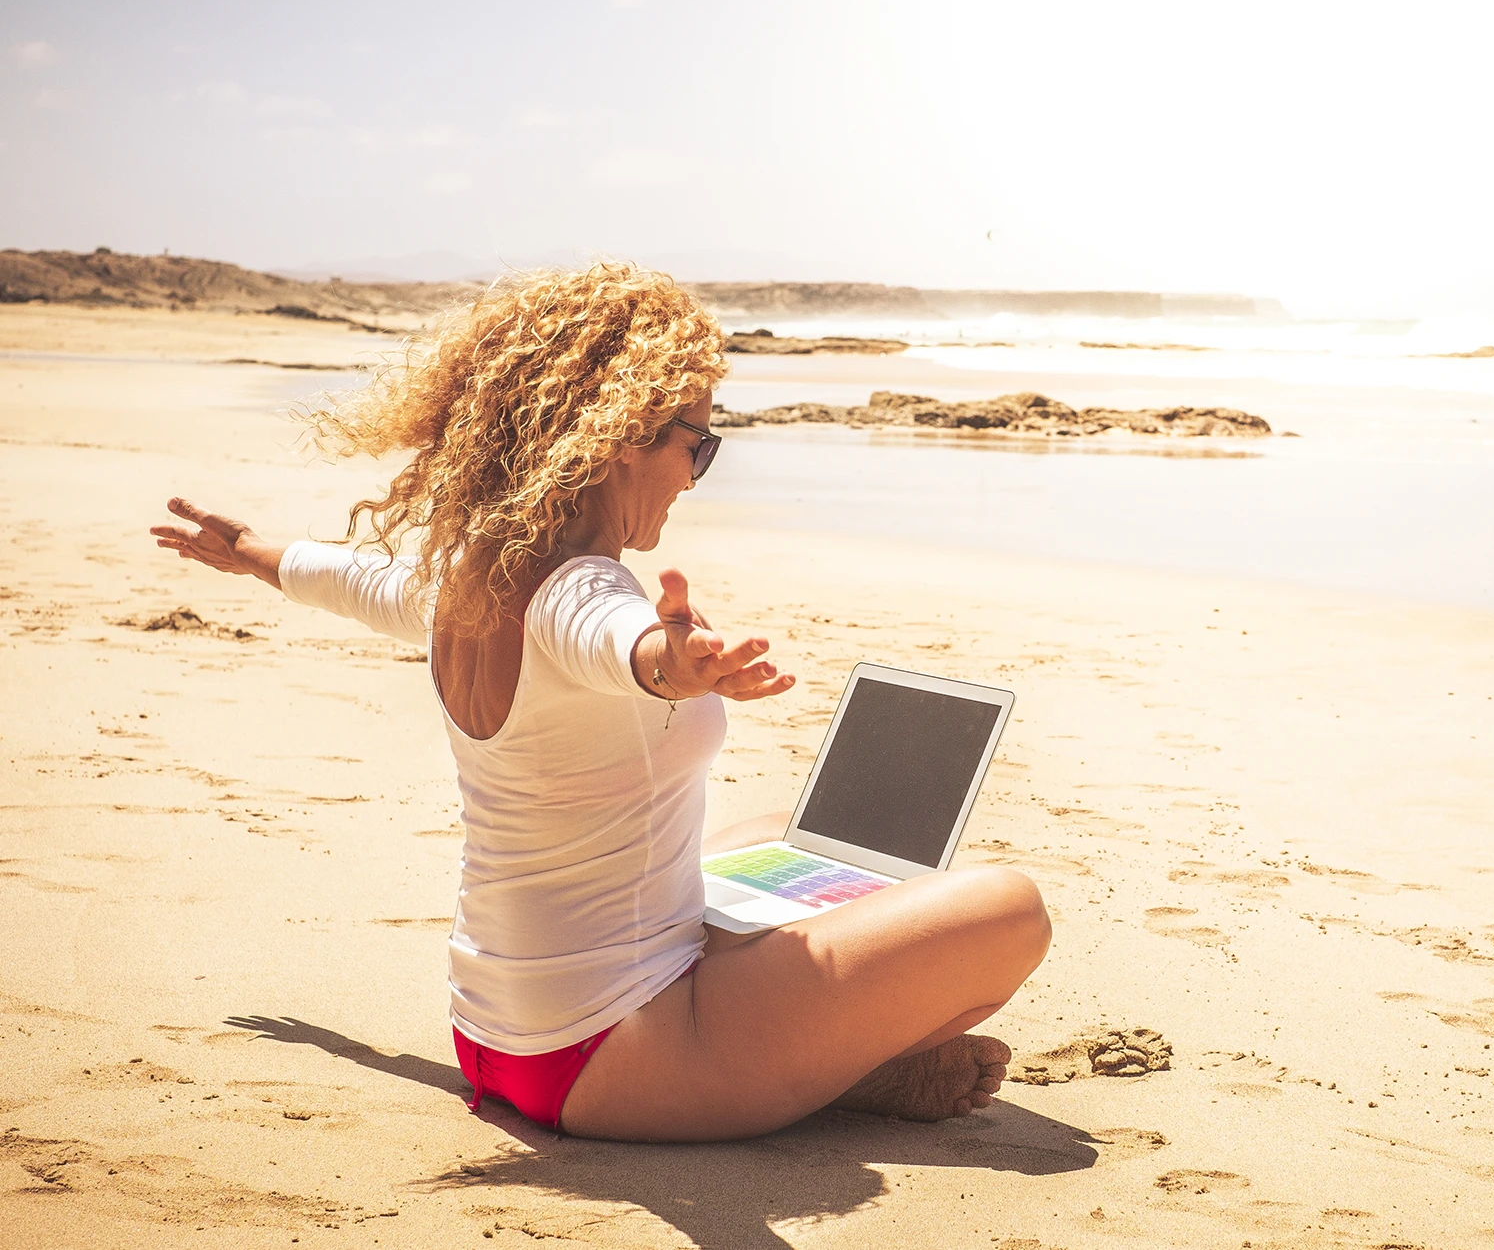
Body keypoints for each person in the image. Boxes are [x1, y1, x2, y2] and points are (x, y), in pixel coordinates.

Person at [150, 262, 1050, 1142]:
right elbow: (614, 642)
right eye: (696, 443)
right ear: (624, 434)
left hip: (492, 1037)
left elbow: (350, 578)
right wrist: (676, 663)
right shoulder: (580, 591)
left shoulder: (462, 578)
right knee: (1008, 907)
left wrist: (256, 553)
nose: (696, 475)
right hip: (620, 1053)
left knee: (803, 832)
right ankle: (852, 1073)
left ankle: (815, 1046)